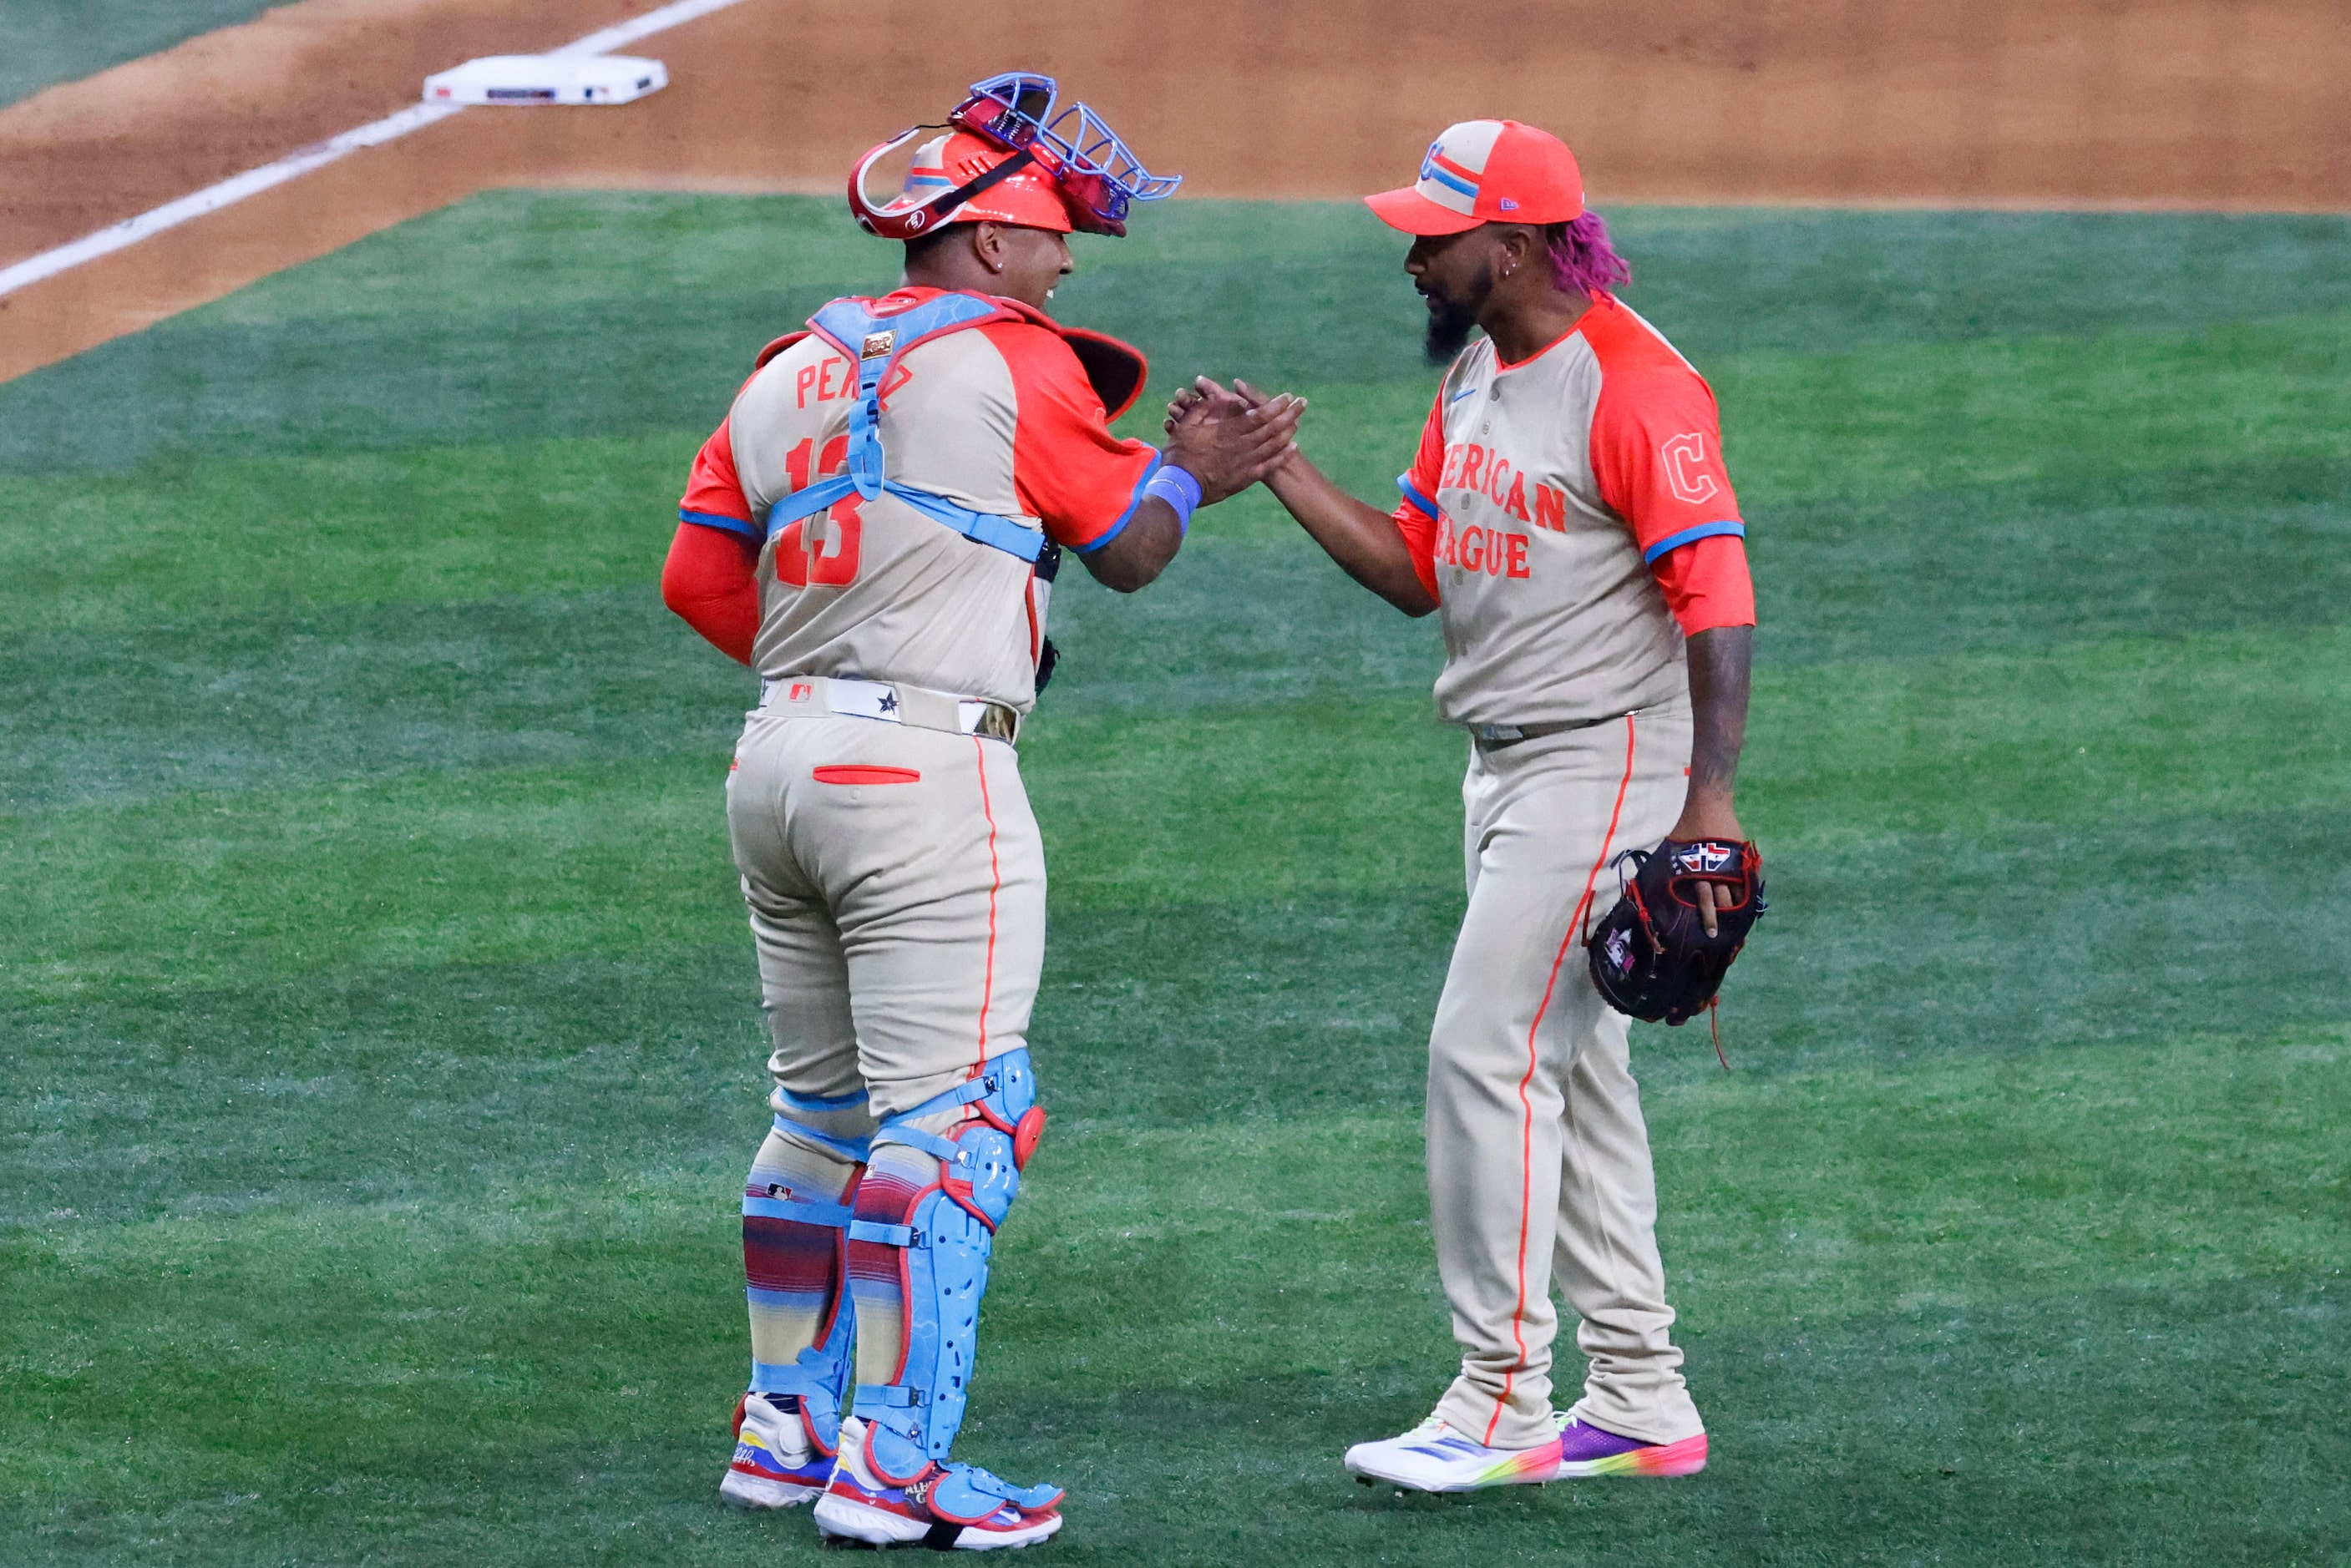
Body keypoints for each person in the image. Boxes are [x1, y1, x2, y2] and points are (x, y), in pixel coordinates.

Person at [661, 73, 1300, 1549]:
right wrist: (1197, 475)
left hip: (777, 764)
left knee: (816, 1113)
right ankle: (896, 1467)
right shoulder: (1019, 360)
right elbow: (1129, 548)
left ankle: (785, 1426)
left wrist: (851, 647)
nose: (1071, 257)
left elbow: (703, 584)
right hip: (926, 783)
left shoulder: (781, 372)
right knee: (958, 1125)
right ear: (995, 243)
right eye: (1059, 234)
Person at [1178, 118, 1755, 1490]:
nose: (1414, 257)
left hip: (1609, 760)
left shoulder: (1633, 383)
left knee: (1481, 1053)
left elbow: (1718, 596)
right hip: (1504, 768)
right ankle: (1641, 1394)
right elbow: (1415, 569)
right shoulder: (1484, 376)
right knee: (1576, 1075)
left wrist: (1710, 806)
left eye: (1434, 237)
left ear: (1511, 245)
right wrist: (1278, 470)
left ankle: (1500, 1398)